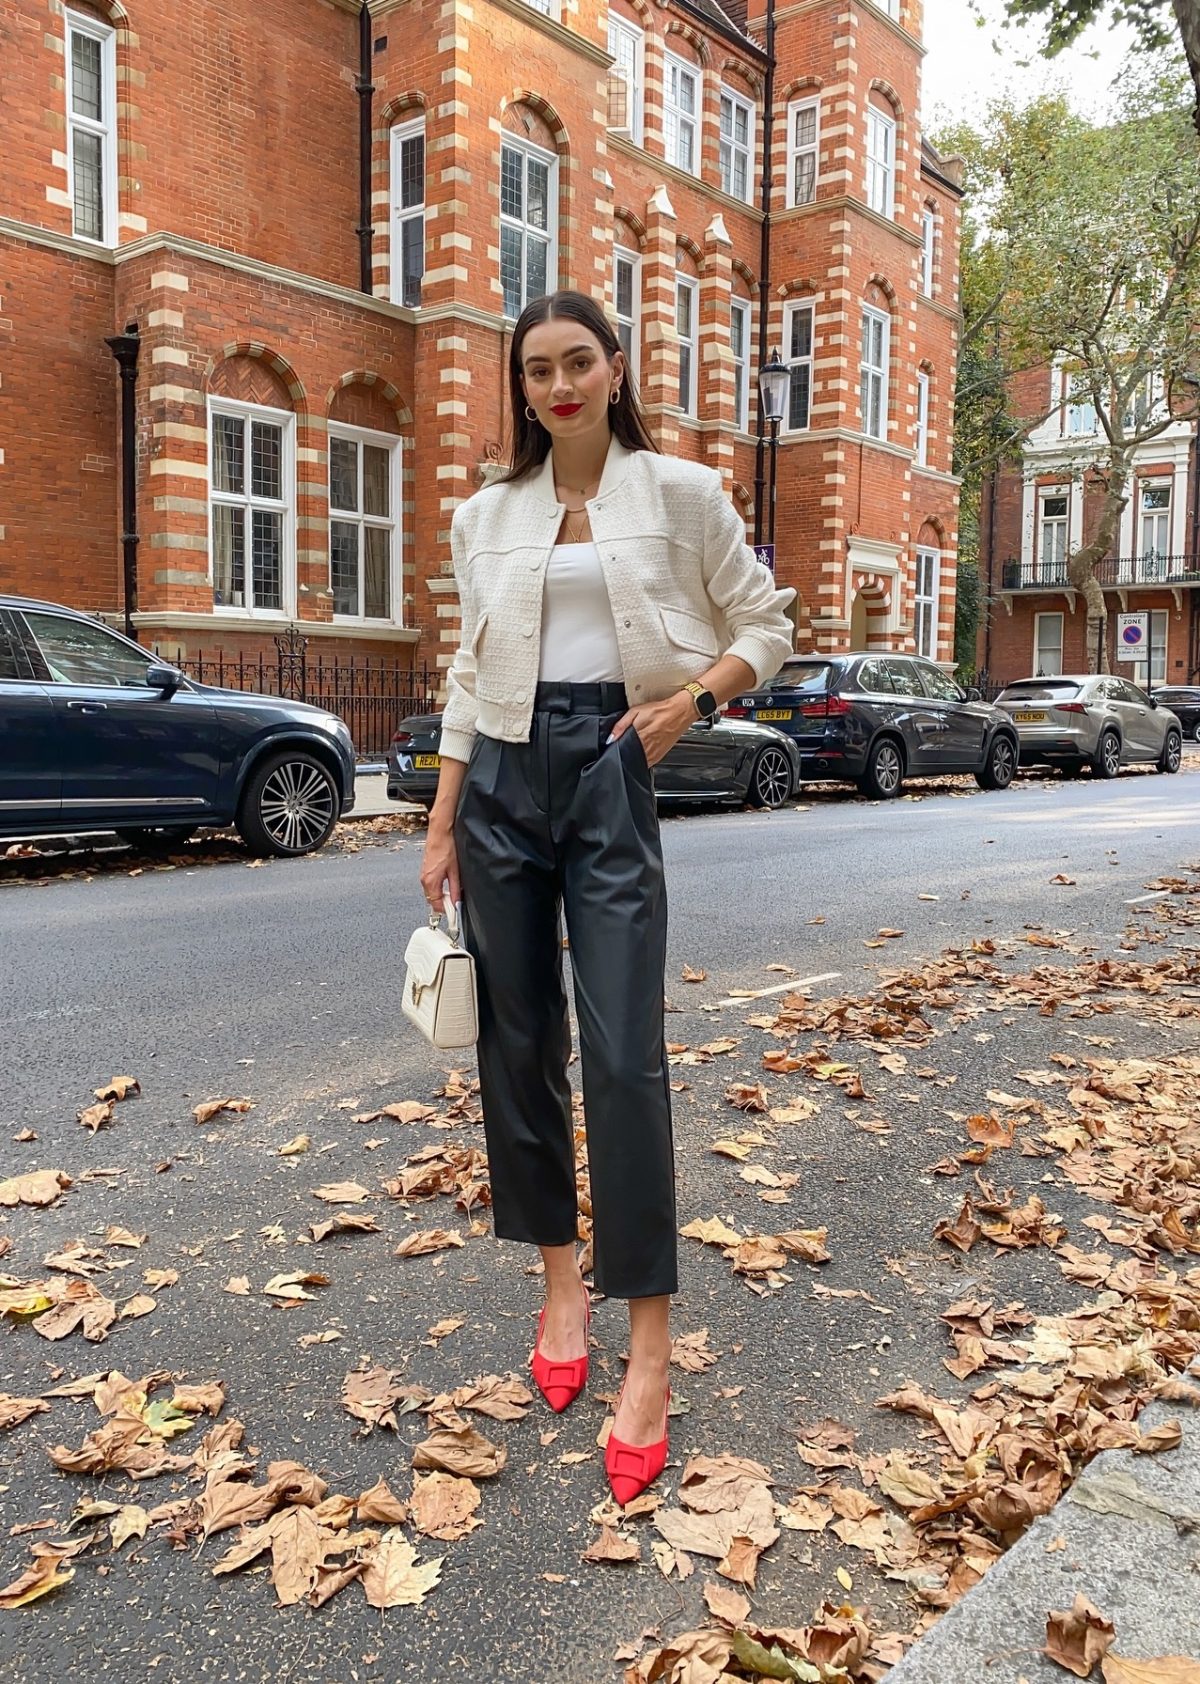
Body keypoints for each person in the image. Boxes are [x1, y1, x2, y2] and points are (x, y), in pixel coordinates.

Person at [419, 288, 794, 1505]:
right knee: (520, 1048)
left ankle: (650, 1350)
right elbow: (472, 668)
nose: (561, 385)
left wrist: (696, 699)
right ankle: (561, 1289)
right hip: (501, 785)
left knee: (626, 1054)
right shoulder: (486, 513)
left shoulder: (677, 493)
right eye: (538, 370)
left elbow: (767, 622)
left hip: (615, 759)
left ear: (617, 366)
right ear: (520, 386)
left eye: (580, 361)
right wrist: (440, 819)